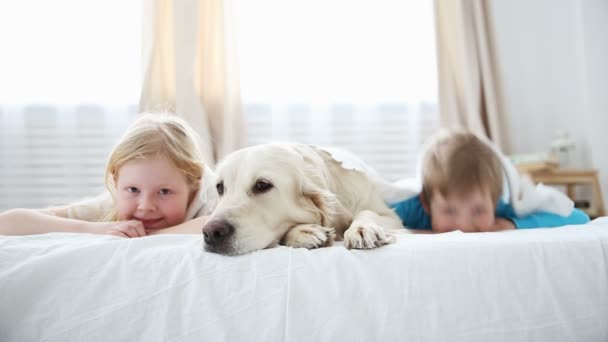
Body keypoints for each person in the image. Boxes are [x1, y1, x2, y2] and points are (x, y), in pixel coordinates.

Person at [0, 113, 217, 237]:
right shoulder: (111, 206)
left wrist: (142, 238)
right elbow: (7, 222)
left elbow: (210, 223)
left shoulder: (214, 198)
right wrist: (93, 228)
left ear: (194, 184)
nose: (145, 205)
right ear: (115, 181)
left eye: (164, 192)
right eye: (133, 190)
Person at [390, 129, 590, 233]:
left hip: (510, 184)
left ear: (494, 202)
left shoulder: (501, 212)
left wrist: (512, 225)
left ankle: (524, 179)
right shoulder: (412, 207)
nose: (464, 226)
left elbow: (579, 218)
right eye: (449, 210)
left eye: (478, 211)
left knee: (525, 185)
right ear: (427, 203)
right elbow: (371, 212)